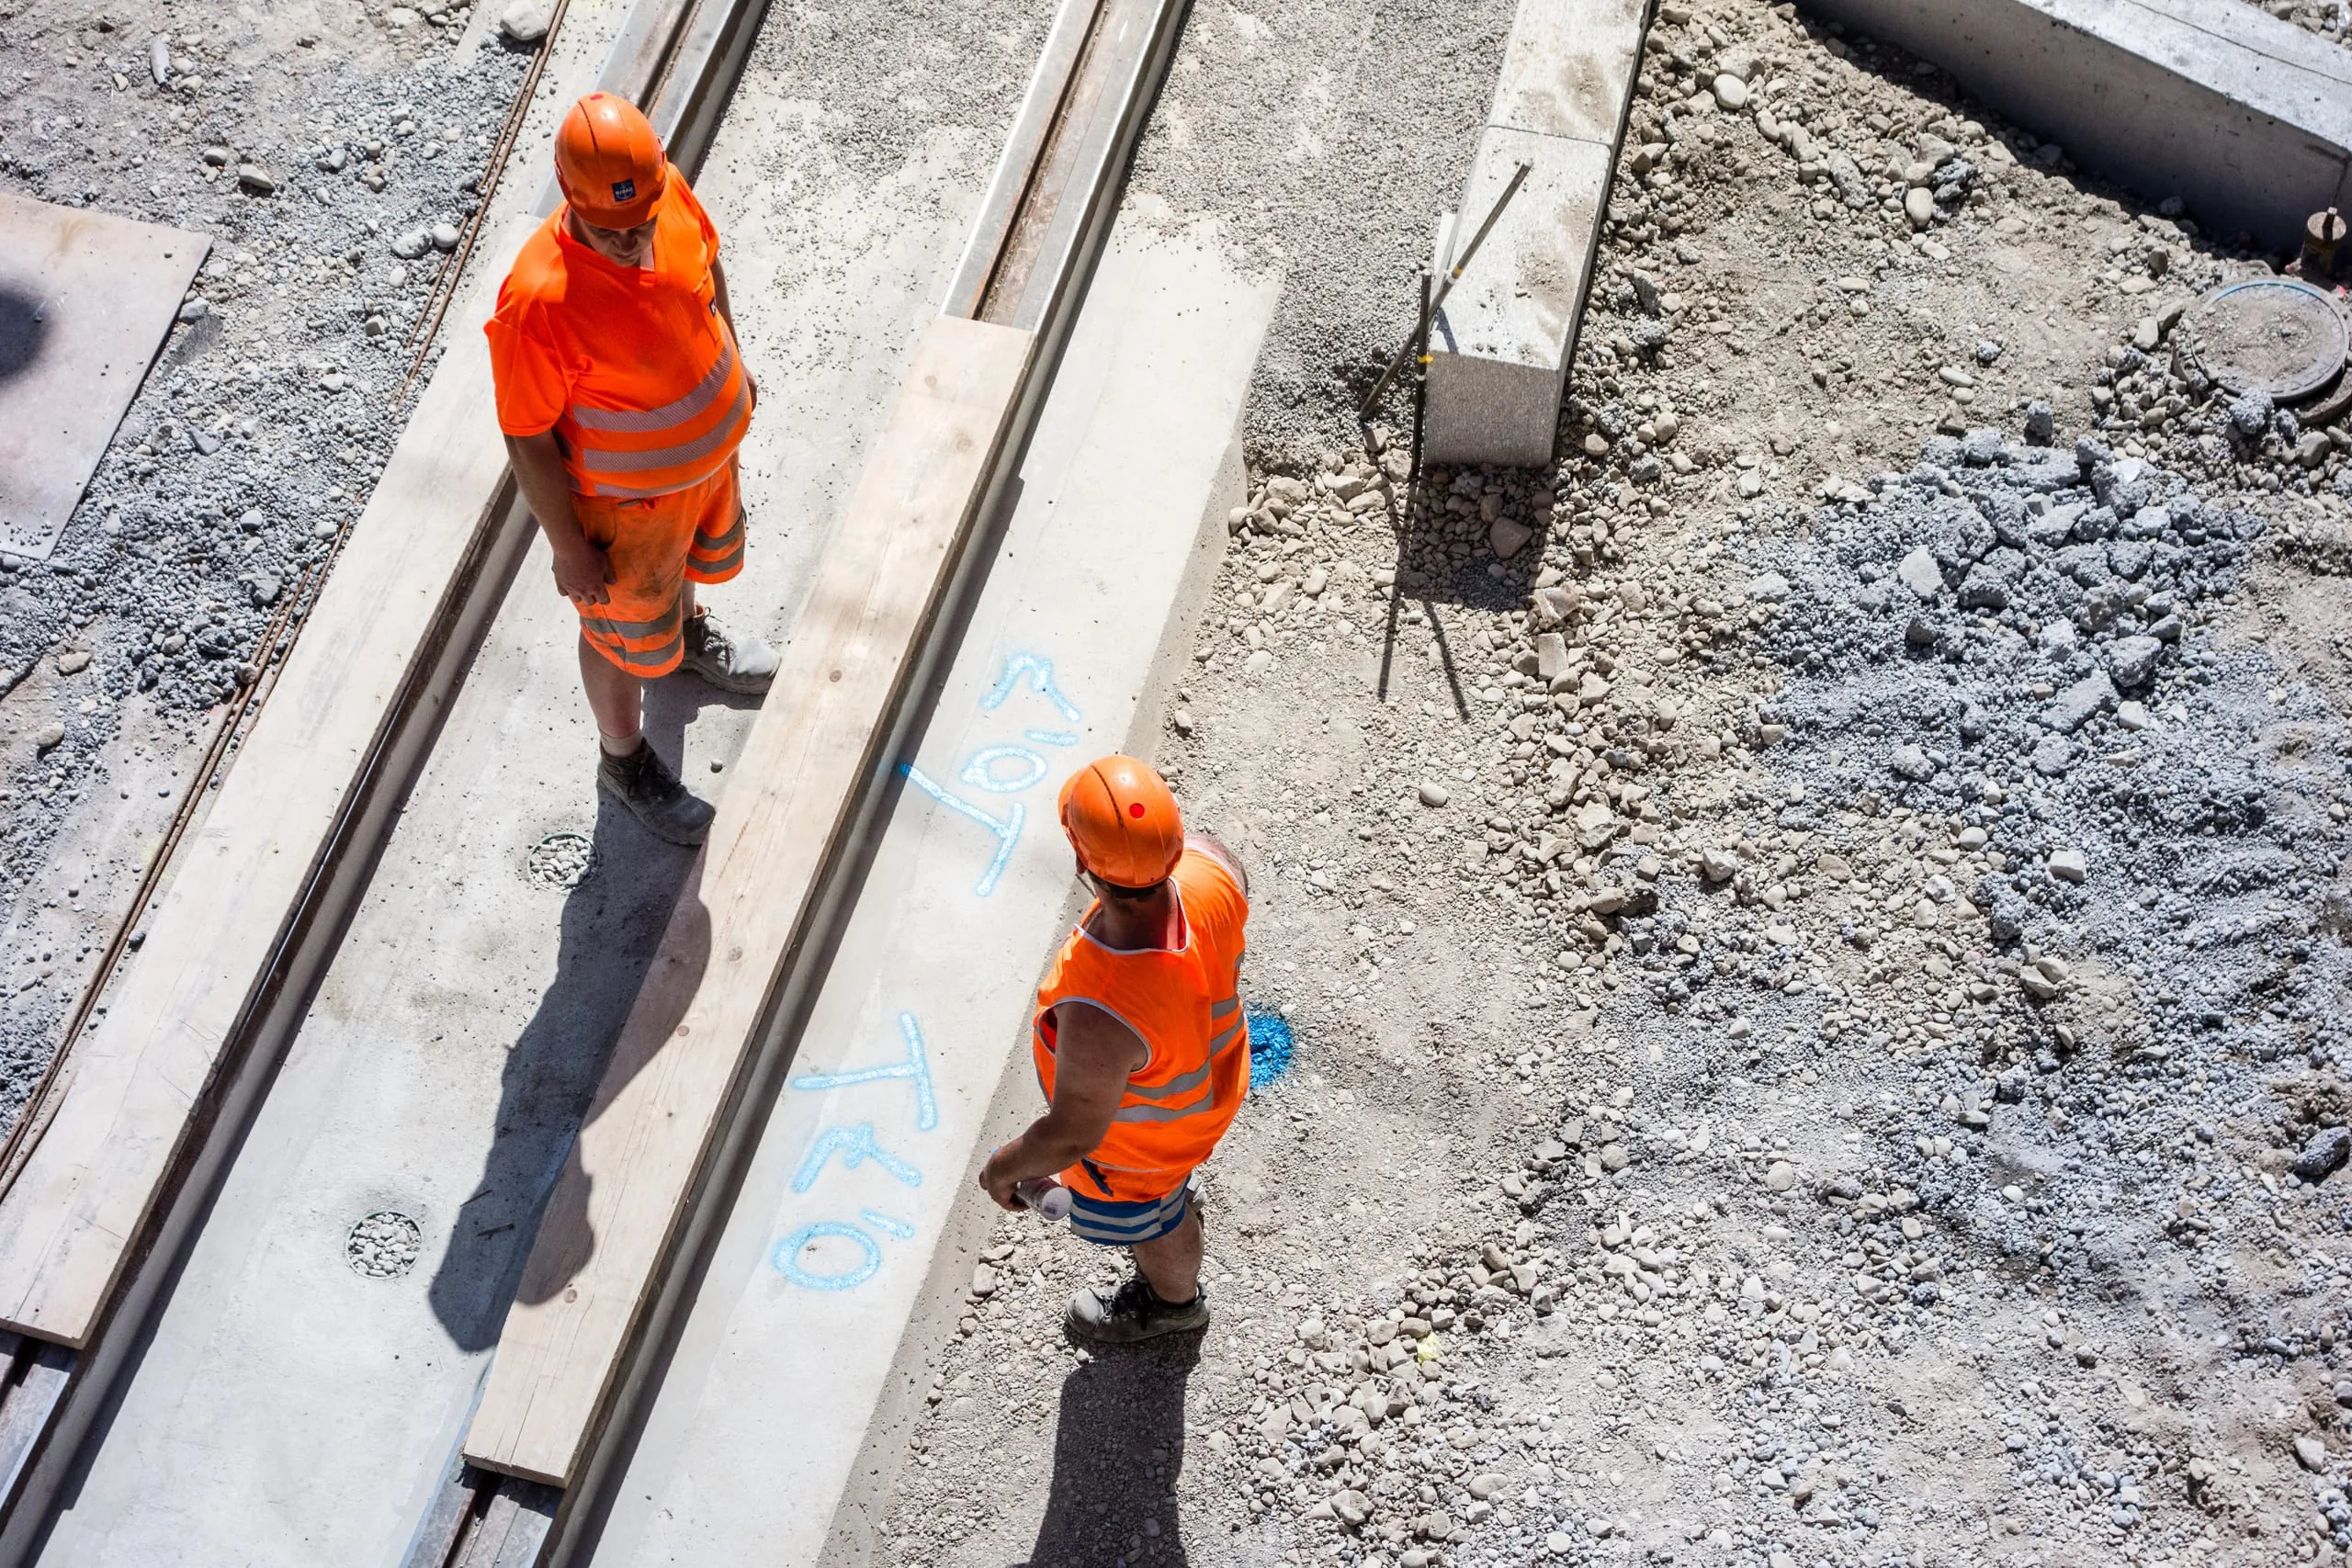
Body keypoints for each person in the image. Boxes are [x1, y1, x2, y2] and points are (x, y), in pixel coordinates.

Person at [485, 91, 777, 846]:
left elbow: (709, 272)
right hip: (625, 510)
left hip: (700, 478)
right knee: (616, 633)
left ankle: (683, 642)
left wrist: (733, 365)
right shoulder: (538, 300)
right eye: (612, 233)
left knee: (675, 585)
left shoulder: (665, 194)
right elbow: (526, 436)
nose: (633, 240)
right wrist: (567, 547)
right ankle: (624, 761)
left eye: (641, 223)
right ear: (570, 199)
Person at [978, 755, 1251, 1343]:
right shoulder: (1213, 872)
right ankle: (1174, 1198)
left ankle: (1173, 1303)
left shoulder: (1101, 1004)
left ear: (1082, 860)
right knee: (1169, 1195)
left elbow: (1075, 1133)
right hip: (1214, 1083)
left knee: (1154, 1222)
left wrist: (1005, 1168)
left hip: (1141, 1152)